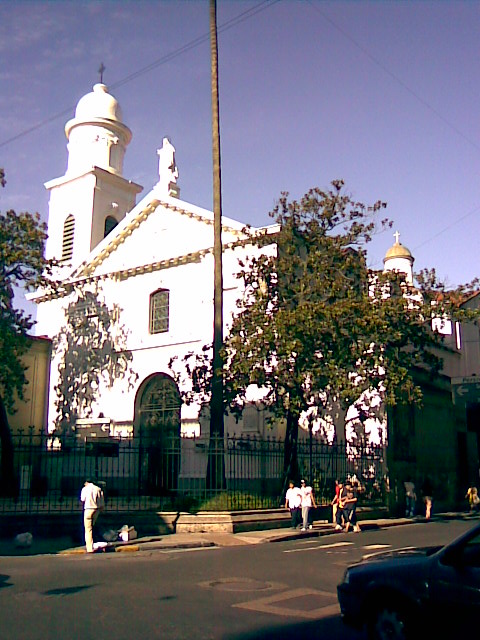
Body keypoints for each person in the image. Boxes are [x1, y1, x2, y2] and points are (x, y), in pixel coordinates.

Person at [80, 479, 105, 553]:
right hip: (96, 509)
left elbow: (82, 499)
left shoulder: (85, 489)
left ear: (86, 482)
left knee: (88, 529)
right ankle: (95, 542)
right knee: (93, 526)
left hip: (88, 509)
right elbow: (101, 501)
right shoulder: (98, 489)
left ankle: (90, 548)